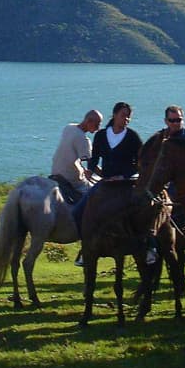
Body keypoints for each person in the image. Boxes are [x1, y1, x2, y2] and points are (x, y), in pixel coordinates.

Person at [74, 102, 149, 266]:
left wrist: (123, 176)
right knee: (80, 210)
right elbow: (93, 161)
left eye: (129, 116)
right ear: (114, 115)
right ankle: (85, 248)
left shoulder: (132, 137)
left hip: (125, 183)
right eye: (124, 115)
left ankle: (149, 247)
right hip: (106, 184)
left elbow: (140, 162)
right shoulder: (100, 135)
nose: (126, 119)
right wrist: (98, 173)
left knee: (143, 210)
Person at [51, 109, 103, 196]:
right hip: (71, 179)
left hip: (55, 172)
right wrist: (107, 175)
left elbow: (70, 153)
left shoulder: (69, 127)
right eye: (97, 124)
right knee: (96, 195)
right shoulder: (83, 140)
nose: (98, 128)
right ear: (88, 121)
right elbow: (92, 165)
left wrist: (82, 168)